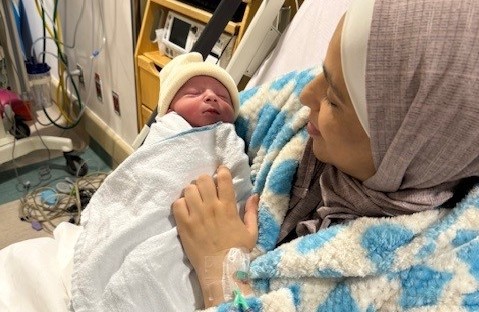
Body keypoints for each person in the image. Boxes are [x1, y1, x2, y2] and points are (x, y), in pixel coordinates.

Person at [172, 0, 479, 311]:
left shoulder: (447, 278)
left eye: (333, 99)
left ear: (406, 145)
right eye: (324, 71)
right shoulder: (297, 108)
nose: (308, 94)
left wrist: (223, 273)